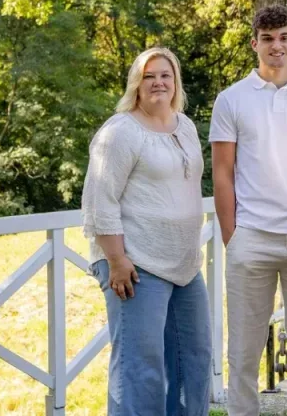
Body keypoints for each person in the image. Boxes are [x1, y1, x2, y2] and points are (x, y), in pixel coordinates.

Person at [209, 5, 287, 416]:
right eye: (267, 39)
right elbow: (222, 174)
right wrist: (233, 237)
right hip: (253, 241)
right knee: (242, 354)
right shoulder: (231, 100)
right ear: (254, 44)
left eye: (283, 38)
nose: (276, 46)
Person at [82, 47, 210, 416]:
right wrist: (117, 260)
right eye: (149, 76)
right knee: (142, 368)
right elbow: (99, 201)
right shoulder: (120, 132)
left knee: (194, 360)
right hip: (136, 265)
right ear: (136, 84)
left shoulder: (183, 125)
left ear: (176, 82)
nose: (158, 83)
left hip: (185, 265)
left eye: (165, 75)